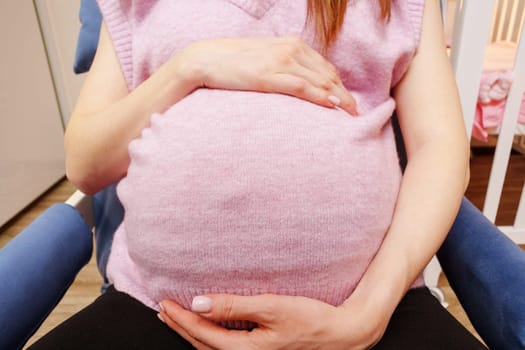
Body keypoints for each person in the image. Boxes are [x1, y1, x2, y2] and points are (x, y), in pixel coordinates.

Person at [29, 0, 487, 348]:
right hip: (158, 311)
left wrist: (367, 315)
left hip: (368, 315)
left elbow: (438, 148)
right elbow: (85, 164)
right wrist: (192, 66)